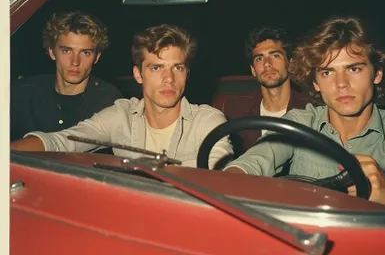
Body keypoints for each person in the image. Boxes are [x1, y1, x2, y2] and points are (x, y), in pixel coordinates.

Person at [225, 17, 385, 208]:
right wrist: (231, 179)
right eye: (328, 72)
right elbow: (253, 162)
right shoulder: (299, 122)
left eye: (353, 69)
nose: (341, 83)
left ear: (377, 74)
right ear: (316, 83)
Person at [11, 24, 233, 169]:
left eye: (177, 68)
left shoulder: (208, 121)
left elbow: (219, 178)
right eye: (156, 68)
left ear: (187, 74)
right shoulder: (121, 115)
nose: (169, 79)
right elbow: (63, 141)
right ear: (138, 74)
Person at [10, 11, 122, 141]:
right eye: (66, 51)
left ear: (96, 57)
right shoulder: (21, 93)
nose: (75, 62)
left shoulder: (109, 101)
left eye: (85, 53)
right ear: (52, 52)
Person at [225, 26, 310, 154]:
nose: (267, 64)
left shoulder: (311, 109)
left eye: (275, 56)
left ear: (290, 64)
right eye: (259, 58)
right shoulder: (236, 110)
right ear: (253, 70)